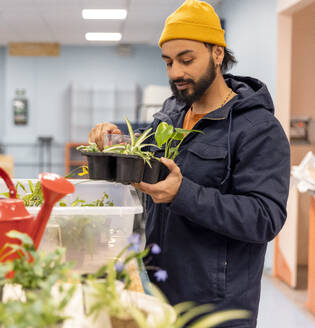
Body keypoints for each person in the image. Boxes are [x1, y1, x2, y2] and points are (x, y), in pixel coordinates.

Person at [88, 1, 290, 327]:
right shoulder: (172, 112)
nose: (175, 73)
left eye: (187, 59)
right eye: (168, 62)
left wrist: (182, 193)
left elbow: (265, 218)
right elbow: (150, 154)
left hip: (215, 306)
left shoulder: (258, 129)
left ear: (217, 54)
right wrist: (118, 140)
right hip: (158, 285)